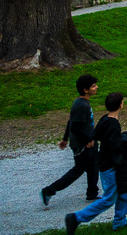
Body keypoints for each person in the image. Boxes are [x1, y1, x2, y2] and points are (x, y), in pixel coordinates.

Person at [65, 92, 127, 234]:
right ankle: (76, 218)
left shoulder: (105, 119)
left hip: (108, 164)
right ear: (121, 104)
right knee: (109, 198)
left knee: (125, 192)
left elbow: (96, 134)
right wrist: (126, 157)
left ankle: (120, 222)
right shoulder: (113, 124)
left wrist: (91, 140)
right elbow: (115, 148)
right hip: (110, 167)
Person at [41, 74, 100, 206]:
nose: (96, 87)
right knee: (77, 171)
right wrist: (88, 139)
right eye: (93, 86)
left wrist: (64, 139)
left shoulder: (82, 102)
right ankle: (48, 190)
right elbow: (75, 126)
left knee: (94, 167)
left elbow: (71, 122)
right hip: (83, 145)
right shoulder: (81, 105)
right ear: (85, 90)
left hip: (89, 143)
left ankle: (92, 193)